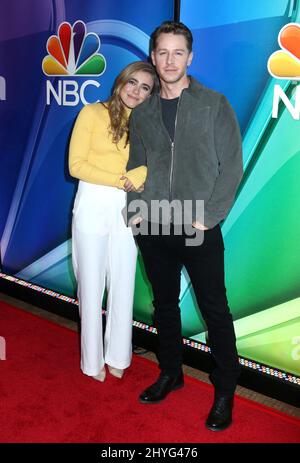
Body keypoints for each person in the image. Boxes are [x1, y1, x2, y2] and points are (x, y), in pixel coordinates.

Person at [125, 22, 243, 431]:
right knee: (164, 305)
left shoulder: (214, 104)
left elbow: (232, 168)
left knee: (214, 309)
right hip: (154, 224)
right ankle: (171, 372)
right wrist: (136, 213)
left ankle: (225, 388)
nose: (169, 60)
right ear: (153, 56)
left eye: (178, 53)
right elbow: (135, 168)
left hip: (197, 222)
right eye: (162, 52)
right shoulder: (142, 112)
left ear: (190, 57)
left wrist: (208, 217)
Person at [69, 61, 158, 383]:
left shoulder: (150, 124)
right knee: (91, 285)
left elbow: (154, 164)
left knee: (123, 282)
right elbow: (76, 166)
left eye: (145, 87)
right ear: (121, 82)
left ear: (151, 94)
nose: (136, 91)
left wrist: (139, 176)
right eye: (132, 83)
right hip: (92, 203)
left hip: (128, 207)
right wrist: (121, 179)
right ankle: (91, 361)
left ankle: (119, 355)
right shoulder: (92, 113)